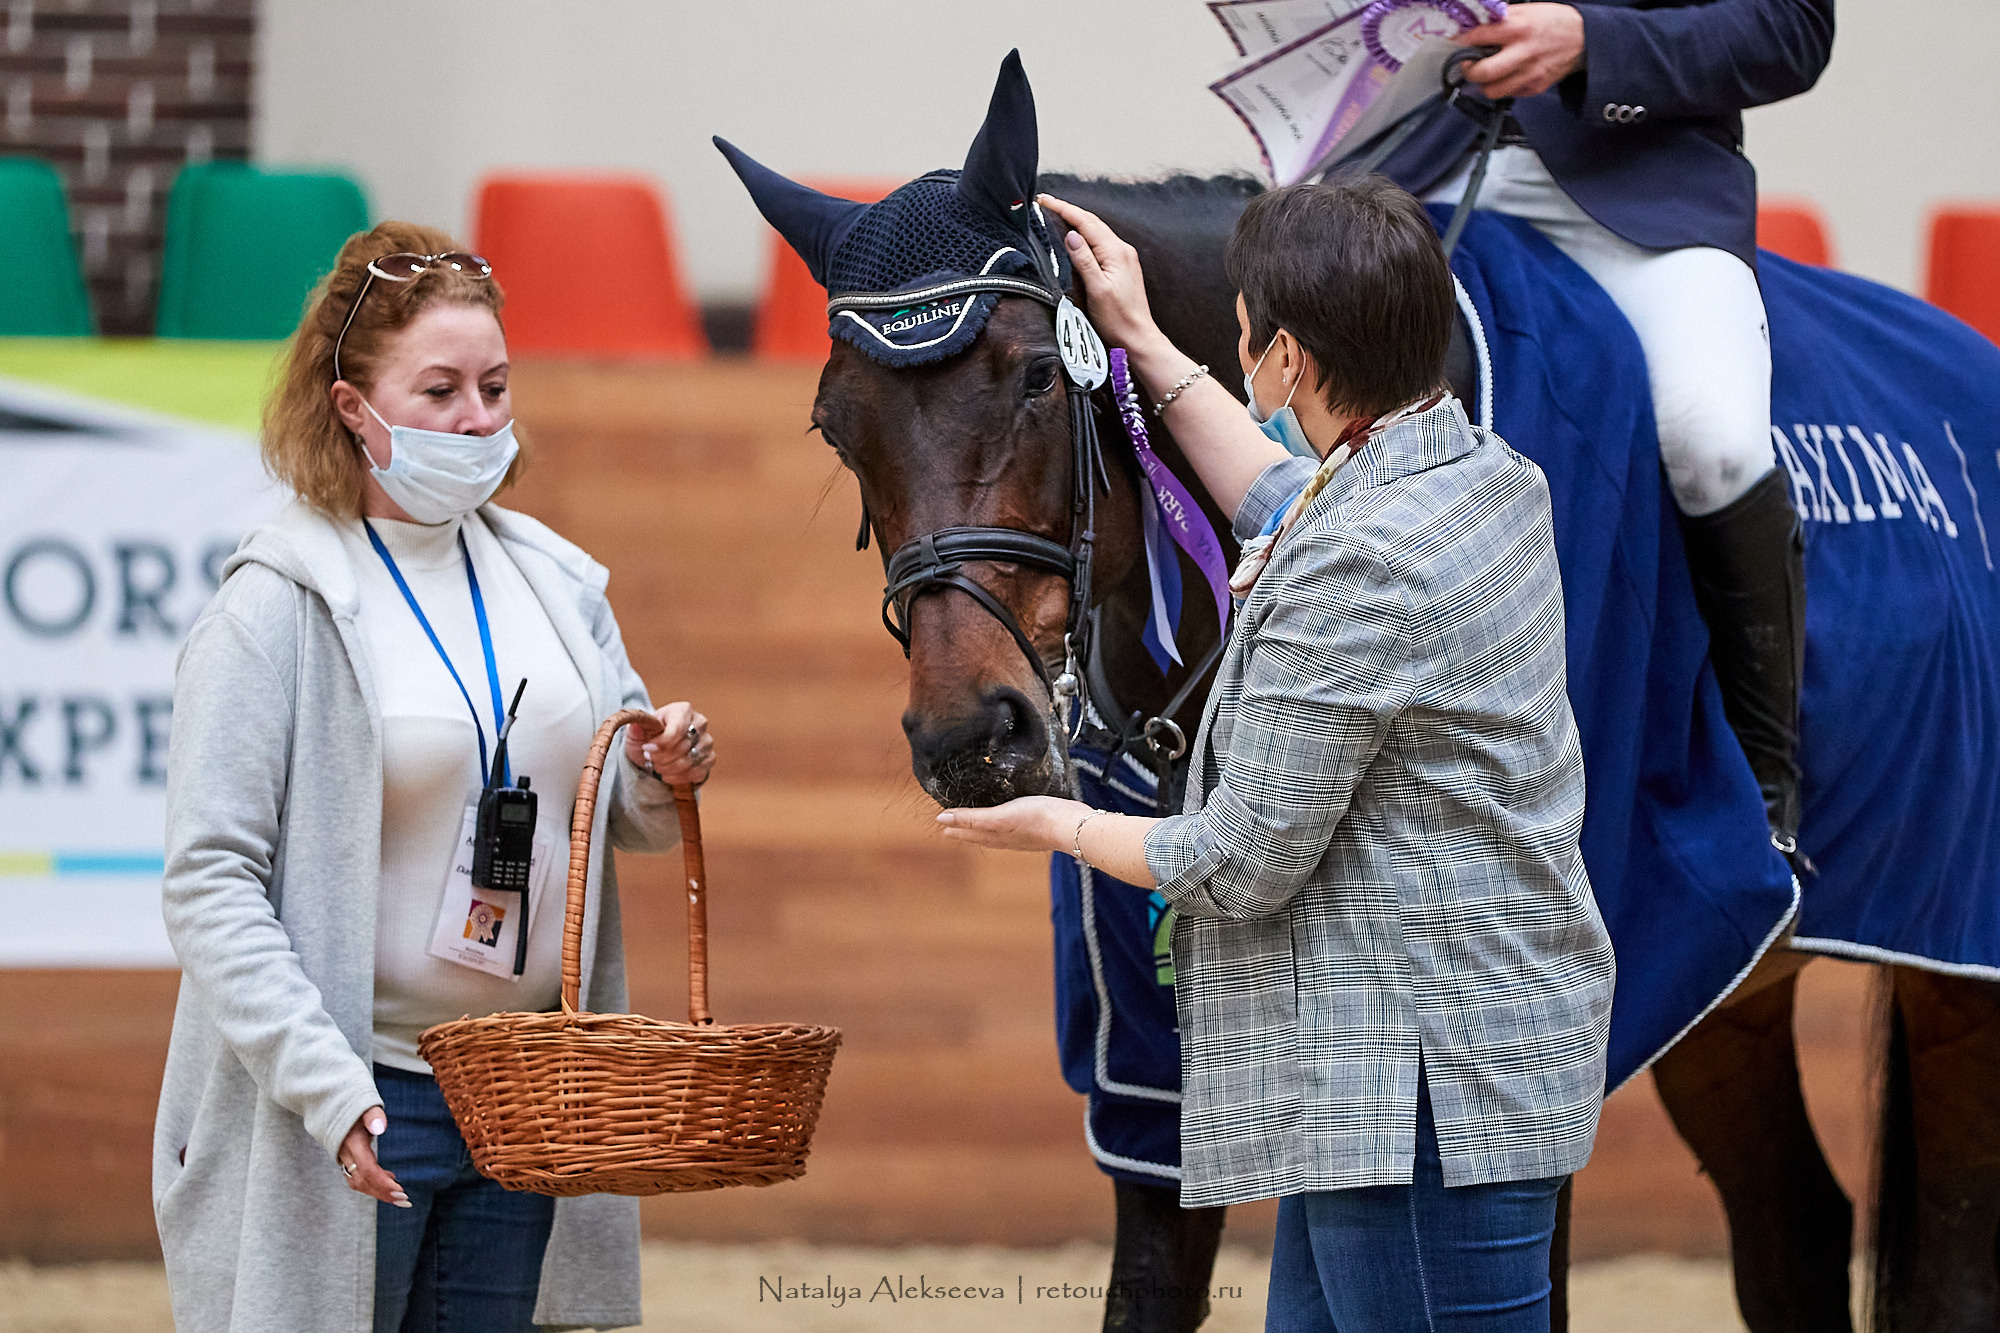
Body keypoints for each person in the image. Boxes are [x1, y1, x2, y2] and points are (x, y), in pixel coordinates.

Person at [940, 176, 1617, 1330]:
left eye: (1245, 327)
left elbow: (1237, 860)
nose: (1237, 340)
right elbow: (1287, 501)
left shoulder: (1359, 564)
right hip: (1418, 1082)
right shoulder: (1476, 475)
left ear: (1288, 360)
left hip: (1416, 1094)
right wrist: (1144, 339)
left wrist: (1054, 821)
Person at [152, 221, 715, 1333]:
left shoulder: (556, 584)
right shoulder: (274, 606)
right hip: (350, 1099)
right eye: (441, 389)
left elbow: (623, 815)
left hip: (521, 1093)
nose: (476, 419)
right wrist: (328, 1087)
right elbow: (209, 882)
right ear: (352, 408)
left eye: (495, 388)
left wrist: (660, 773)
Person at [1379, 0, 1835, 852]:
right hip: (1412, 162)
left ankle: (1763, 798)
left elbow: (1791, 27)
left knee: (1714, 442)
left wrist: (1597, 44)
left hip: (1645, 180)